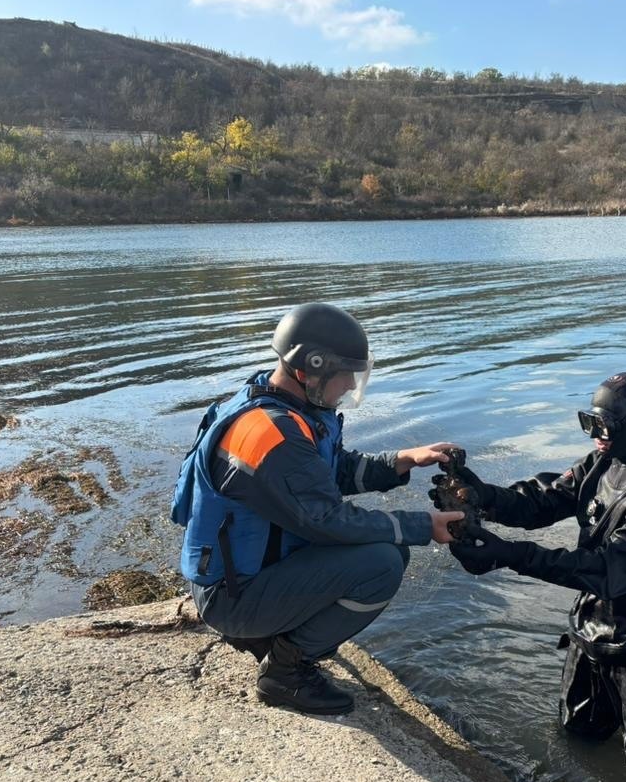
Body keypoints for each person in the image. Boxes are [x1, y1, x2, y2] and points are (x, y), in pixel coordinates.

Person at [173, 302, 464, 716]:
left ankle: (275, 636)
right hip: (232, 598)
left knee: (386, 549)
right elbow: (327, 520)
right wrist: (424, 525)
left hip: (246, 577)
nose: (350, 384)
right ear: (309, 368)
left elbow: (330, 471)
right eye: (344, 373)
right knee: (381, 563)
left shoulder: (287, 407)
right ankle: (285, 672)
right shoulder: (270, 433)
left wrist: (402, 460)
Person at [436, 372, 626, 782]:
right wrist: (482, 496)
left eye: (604, 425)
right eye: (588, 422)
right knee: (575, 738)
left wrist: (511, 555)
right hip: (590, 636)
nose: (595, 435)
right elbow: (542, 501)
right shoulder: (603, 462)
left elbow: (610, 570)